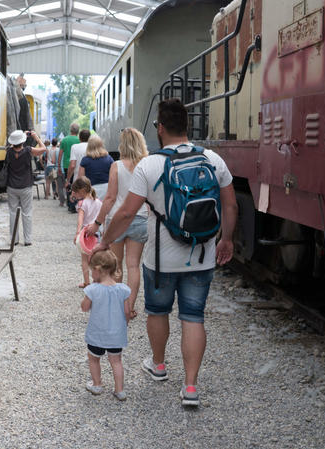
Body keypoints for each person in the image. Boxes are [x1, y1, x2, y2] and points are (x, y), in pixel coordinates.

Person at [91, 98, 238, 407]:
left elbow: (126, 213)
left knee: (158, 311)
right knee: (193, 317)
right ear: (188, 125)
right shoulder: (213, 159)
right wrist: (226, 239)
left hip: (160, 260)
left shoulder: (150, 164)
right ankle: (190, 387)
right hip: (201, 255)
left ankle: (158, 365)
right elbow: (231, 205)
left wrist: (105, 240)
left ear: (160, 128)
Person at [85, 128, 148, 321]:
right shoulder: (146, 165)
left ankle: (117, 307)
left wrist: (97, 222)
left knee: (116, 265)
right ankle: (129, 307)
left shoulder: (117, 166)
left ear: (123, 145)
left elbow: (110, 198)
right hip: (140, 218)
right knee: (134, 265)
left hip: (117, 220)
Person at [80, 250, 130, 400]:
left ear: (97, 270)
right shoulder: (123, 289)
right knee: (116, 361)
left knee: (94, 358)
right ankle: (119, 390)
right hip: (116, 334)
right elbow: (127, 312)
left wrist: (88, 297)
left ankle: (97, 385)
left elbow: (84, 307)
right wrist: (125, 324)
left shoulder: (92, 289)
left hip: (97, 334)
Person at [0, 129, 47, 246]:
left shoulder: (9, 152)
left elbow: (12, 146)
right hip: (25, 187)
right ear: (23, 141)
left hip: (12, 187)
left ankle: (14, 239)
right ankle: (28, 240)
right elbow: (44, 149)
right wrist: (36, 137)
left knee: (12, 213)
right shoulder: (28, 151)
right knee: (27, 213)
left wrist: (21, 136)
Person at [72, 176, 102, 288]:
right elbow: (102, 217)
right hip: (96, 233)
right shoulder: (98, 202)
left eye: (76, 192)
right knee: (96, 259)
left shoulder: (83, 203)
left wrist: (77, 233)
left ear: (82, 191)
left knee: (85, 260)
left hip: (85, 235)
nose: (75, 195)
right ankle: (97, 281)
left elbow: (80, 219)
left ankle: (87, 282)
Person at [78, 135, 114, 200]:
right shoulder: (109, 159)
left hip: (91, 190)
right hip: (106, 190)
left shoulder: (85, 160)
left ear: (89, 146)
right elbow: (113, 177)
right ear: (101, 145)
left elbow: (81, 179)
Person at [59, 124, 80, 211]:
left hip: (66, 165)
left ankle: (69, 203)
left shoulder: (64, 140)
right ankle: (75, 203)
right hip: (77, 164)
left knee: (68, 183)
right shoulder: (79, 140)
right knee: (77, 184)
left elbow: (60, 154)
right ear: (78, 131)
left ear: (70, 130)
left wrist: (59, 166)